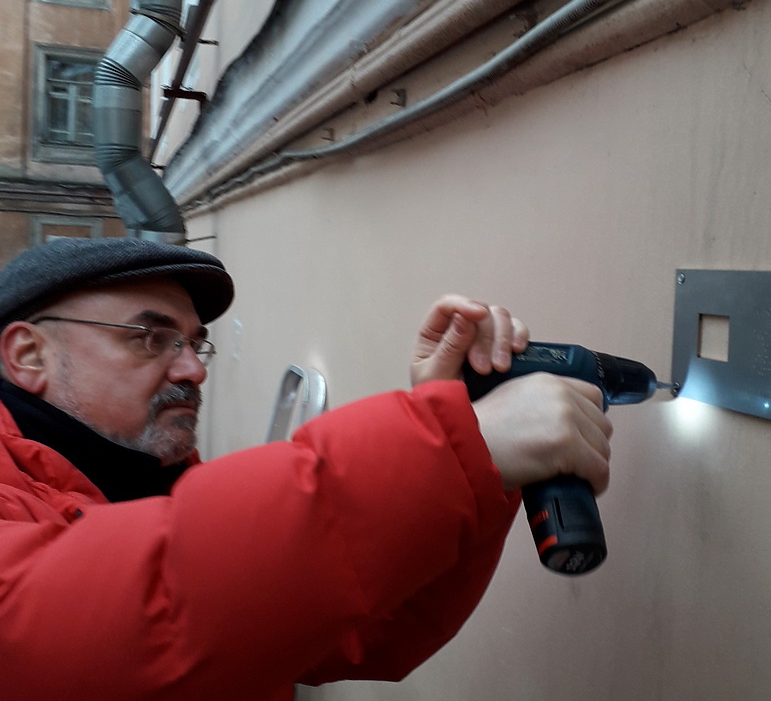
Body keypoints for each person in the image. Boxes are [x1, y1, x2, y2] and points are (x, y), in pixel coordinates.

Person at [0, 237, 612, 701]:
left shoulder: (155, 480)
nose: (194, 369)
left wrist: (467, 453)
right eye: (149, 338)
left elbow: (367, 632)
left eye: (194, 342)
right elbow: (132, 620)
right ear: (29, 354)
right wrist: (453, 446)